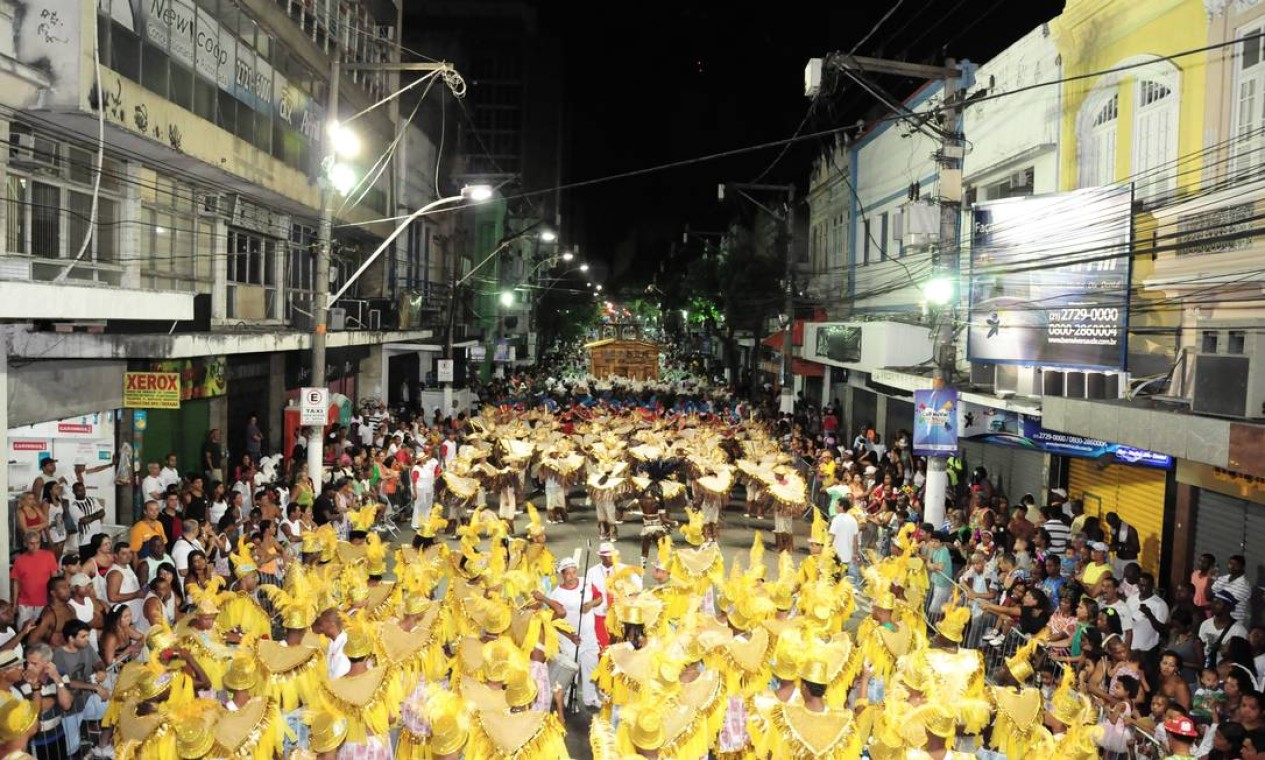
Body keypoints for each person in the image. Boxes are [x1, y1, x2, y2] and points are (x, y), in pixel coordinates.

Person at [544, 557, 602, 710]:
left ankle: (591, 698)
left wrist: (590, 605)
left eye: (573, 572)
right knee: (569, 672)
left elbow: (599, 598)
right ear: (562, 574)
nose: (571, 576)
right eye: (567, 574)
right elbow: (553, 621)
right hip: (569, 640)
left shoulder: (586, 583)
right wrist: (570, 636)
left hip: (589, 637)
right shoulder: (557, 594)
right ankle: (565, 699)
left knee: (591, 668)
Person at [52, 620, 108, 759]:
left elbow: (99, 662)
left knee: (113, 709)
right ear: (71, 638)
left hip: (86, 700)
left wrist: (101, 670)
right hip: (69, 708)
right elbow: (68, 682)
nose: (87, 639)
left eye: (87, 635)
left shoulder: (86, 647)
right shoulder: (58, 655)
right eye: (83, 636)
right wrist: (95, 686)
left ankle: (101, 745)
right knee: (71, 748)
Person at [10, 532, 58, 628]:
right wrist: (15, 604)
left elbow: (55, 580)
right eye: (32, 543)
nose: (35, 546)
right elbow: (16, 583)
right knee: (23, 631)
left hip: (44, 602)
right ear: (25, 544)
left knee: (41, 631)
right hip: (25, 604)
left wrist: (55, 600)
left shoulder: (49, 556)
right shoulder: (19, 560)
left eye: (37, 543)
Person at [1201, 591, 1249, 668]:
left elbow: (1240, 656)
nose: (1212, 605)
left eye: (1217, 603)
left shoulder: (1239, 630)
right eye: (1213, 602)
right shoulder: (1205, 624)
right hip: (1205, 669)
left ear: (1227, 607)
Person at [63, 483, 104, 564]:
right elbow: (84, 520)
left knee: (99, 563)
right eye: (79, 491)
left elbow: (102, 513)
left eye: (83, 490)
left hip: (97, 537)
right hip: (85, 540)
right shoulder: (73, 506)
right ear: (73, 492)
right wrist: (97, 515)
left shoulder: (92, 500)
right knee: (87, 564)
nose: (82, 492)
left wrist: (90, 517)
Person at [1213, 555, 1253, 625]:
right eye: (1230, 563)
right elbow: (1208, 595)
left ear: (1242, 567)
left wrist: (1215, 596)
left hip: (1233, 623)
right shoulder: (1222, 578)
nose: (1231, 566)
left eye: (1235, 565)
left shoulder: (1244, 585)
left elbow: (1228, 603)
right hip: (1217, 620)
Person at [1106, 512, 1141, 577]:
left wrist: (1121, 547)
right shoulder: (1113, 529)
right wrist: (1110, 547)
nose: (1112, 526)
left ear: (1118, 519)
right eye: (1110, 524)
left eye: (1113, 523)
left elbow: (1137, 549)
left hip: (1129, 562)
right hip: (1118, 560)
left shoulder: (1130, 530)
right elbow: (1114, 543)